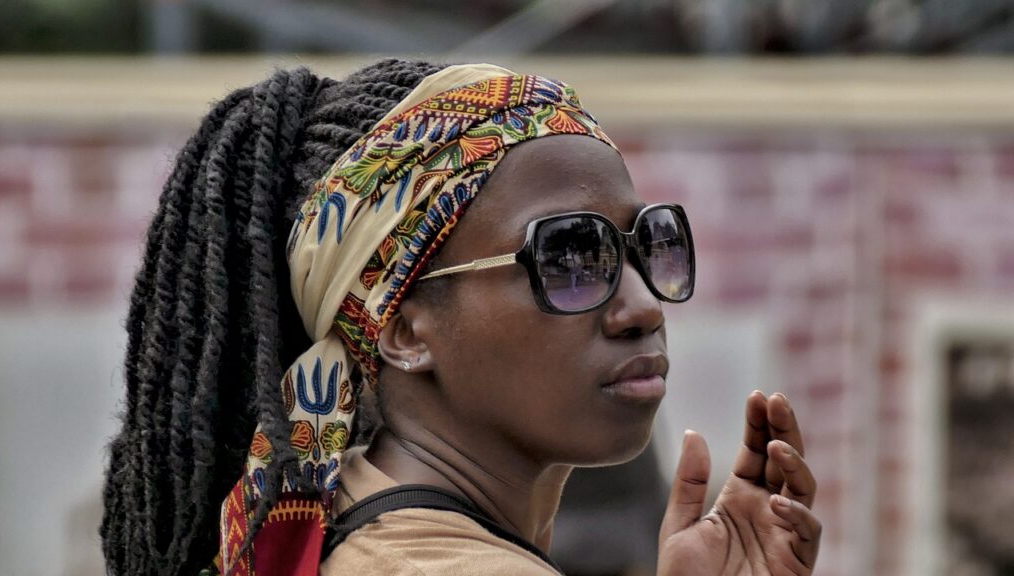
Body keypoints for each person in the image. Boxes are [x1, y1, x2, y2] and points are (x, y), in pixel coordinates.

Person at [101, 59, 820, 576]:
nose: (641, 307)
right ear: (403, 328)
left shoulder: (345, 524)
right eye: (569, 256)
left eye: (647, 245)